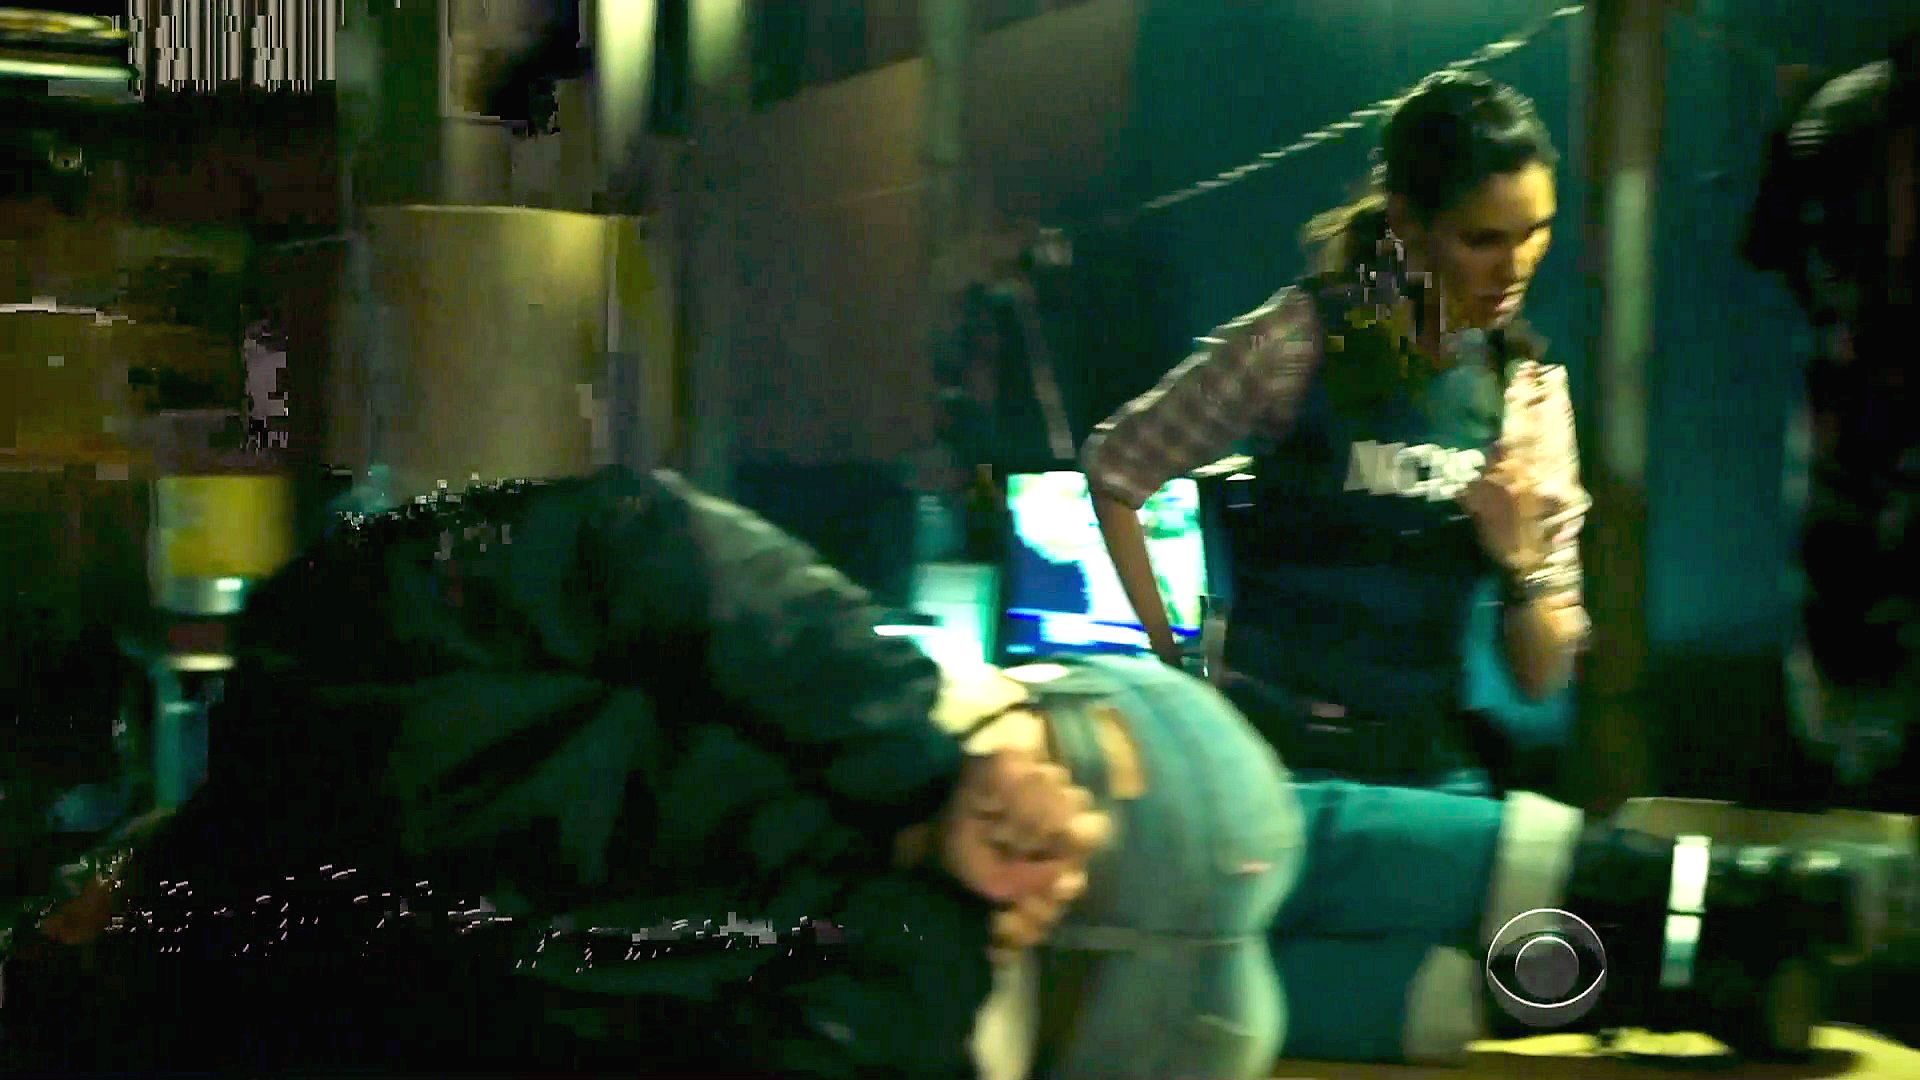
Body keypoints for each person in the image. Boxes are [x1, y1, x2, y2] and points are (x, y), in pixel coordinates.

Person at [0, 466, 1108, 1080]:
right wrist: (936, 909)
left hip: (1006, 791)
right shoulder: (333, 1018)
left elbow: (642, 542)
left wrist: (918, 757)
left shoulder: (312, 677)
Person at [932, 652, 1912, 1080]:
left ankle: (1746, 900)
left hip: (1082, 829)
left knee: (1321, 845)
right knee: (1399, 985)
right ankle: (1685, 982)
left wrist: (998, 733)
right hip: (1049, 1007)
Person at [1082, 72, 1589, 796]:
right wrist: (1172, 669)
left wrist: (1523, 565)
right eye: (1482, 239)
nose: (1516, 267)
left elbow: (1542, 679)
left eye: (1535, 231)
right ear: (1409, 224)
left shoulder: (1526, 396)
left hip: (1422, 769)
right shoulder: (1301, 340)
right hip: (1272, 765)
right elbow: (1116, 467)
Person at [1744, 37, 1919, 796]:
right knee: (1844, 586)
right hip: (1855, 399)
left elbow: (1771, 245)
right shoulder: (1841, 113)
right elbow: (1773, 244)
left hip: (1852, 390)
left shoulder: (1837, 110)